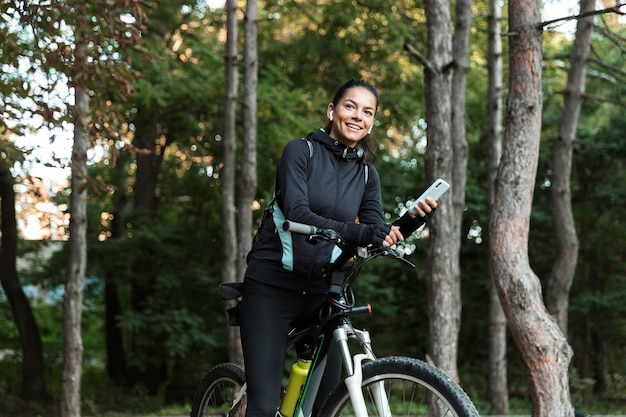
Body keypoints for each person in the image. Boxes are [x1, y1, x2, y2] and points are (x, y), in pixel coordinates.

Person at [239, 78, 438, 417]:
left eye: (367, 111)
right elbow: (299, 213)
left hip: (324, 294)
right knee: (262, 405)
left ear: (372, 121)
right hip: (272, 286)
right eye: (350, 106)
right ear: (332, 110)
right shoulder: (301, 151)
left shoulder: (366, 175)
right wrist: (364, 233)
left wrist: (409, 222)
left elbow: (374, 234)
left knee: (325, 406)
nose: (358, 116)